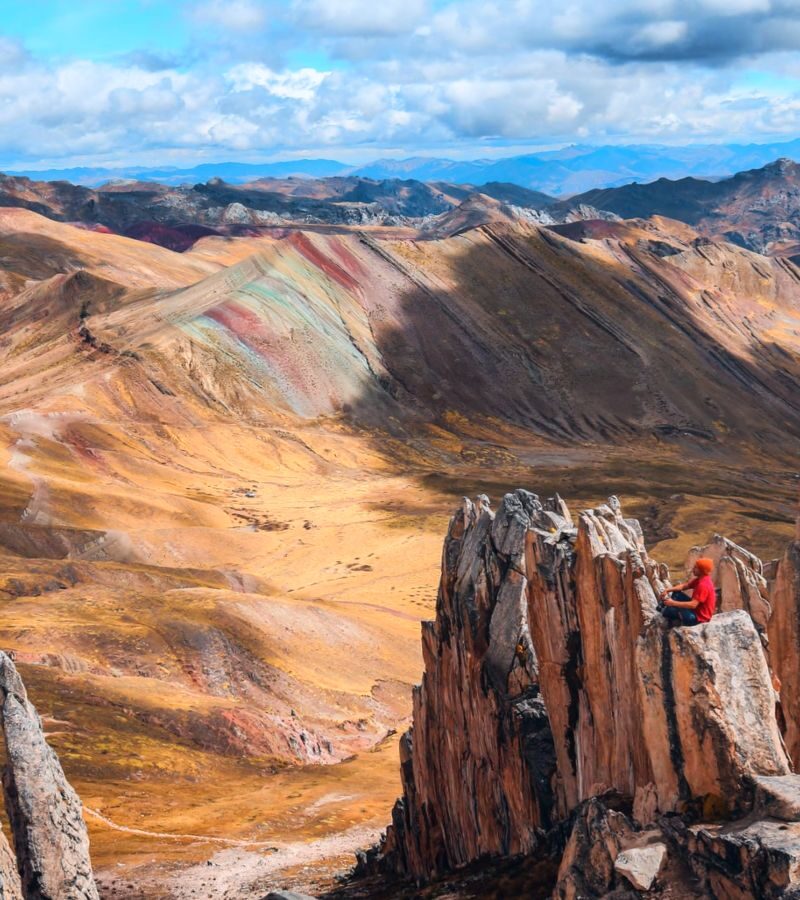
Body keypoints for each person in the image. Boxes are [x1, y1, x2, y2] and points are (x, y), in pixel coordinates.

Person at [659, 558, 716, 626]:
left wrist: (673, 603)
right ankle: (665, 607)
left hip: (699, 618)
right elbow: (684, 586)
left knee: (671, 611)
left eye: (695, 567)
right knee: (676, 594)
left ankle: (666, 612)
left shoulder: (703, 585)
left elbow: (693, 605)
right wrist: (668, 590)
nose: (693, 569)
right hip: (697, 610)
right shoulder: (700, 579)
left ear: (701, 570)